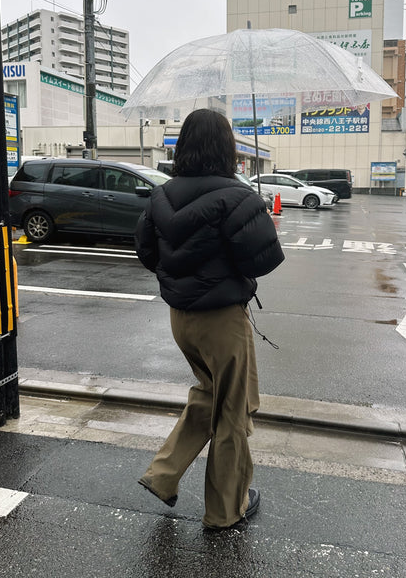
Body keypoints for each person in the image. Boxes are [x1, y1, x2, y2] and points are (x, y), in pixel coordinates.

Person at [134, 109, 285, 529]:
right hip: (221, 321)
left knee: (208, 394)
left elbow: (147, 253)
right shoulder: (237, 197)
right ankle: (225, 510)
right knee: (234, 410)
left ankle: (163, 474)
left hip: (181, 319)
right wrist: (258, 217)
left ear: (183, 146)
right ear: (227, 148)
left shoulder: (162, 196)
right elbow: (265, 260)